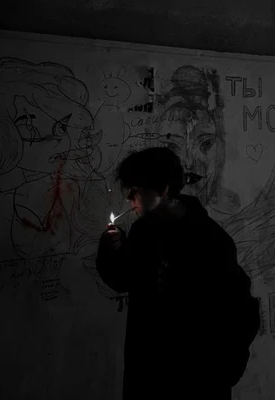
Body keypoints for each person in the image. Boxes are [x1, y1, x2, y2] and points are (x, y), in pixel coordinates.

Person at [95, 146, 260, 400]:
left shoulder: (210, 240)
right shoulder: (142, 232)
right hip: (148, 377)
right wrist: (111, 251)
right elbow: (124, 279)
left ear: (162, 190)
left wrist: (219, 373)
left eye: (135, 190)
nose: (128, 198)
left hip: (196, 381)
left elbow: (240, 313)